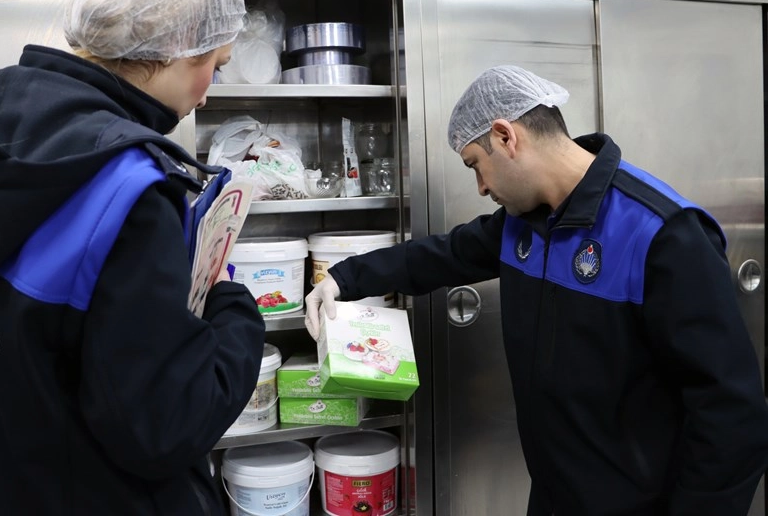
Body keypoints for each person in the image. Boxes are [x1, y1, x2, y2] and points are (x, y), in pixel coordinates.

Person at [305, 65, 768, 515]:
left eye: (476, 166)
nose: (482, 187)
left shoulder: (662, 234)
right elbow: (442, 254)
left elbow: (731, 415)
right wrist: (344, 279)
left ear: (507, 137)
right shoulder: (523, 224)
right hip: (552, 494)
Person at [0, 0, 265, 515]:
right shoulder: (127, 189)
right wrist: (235, 313)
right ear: (176, 47)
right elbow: (164, 429)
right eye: (215, 65)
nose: (208, 94)